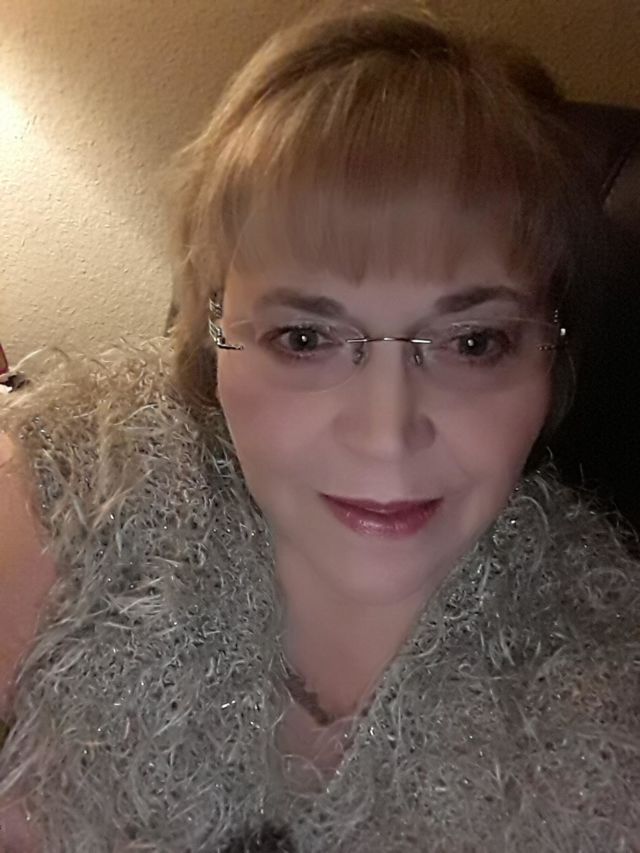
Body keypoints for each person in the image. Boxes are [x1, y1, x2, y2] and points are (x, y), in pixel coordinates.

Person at [0, 3, 638, 851]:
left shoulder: (605, 683)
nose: (385, 433)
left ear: (553, 358)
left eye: (473, 342)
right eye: (305, 337)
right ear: (212, 335)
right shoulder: (70, 493)